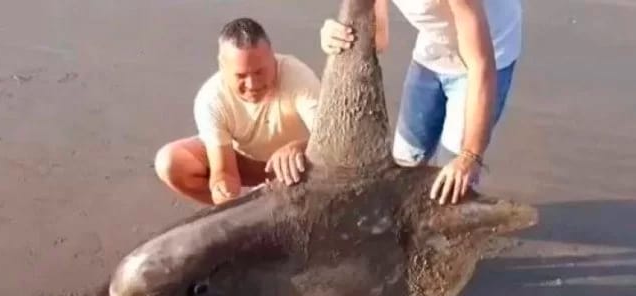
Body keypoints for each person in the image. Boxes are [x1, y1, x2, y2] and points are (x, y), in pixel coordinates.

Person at [320, 0, 522, 205]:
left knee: (451, 183)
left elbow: (480, 64)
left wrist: (470, 156)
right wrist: (338, 38)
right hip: (434, 49)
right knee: (404, 159)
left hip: (490, 50)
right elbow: (378, 38)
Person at [155, 18, 321, 205]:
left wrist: (298, 147)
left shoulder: (296, 75)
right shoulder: (211, 99)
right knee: (170, 162)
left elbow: (329, 136)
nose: (253, 85)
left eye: (260, 72)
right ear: (222, 67)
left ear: (272, 57)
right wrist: (224, 192)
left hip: (299, 163)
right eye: (241, 76)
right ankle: (244, 212)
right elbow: (224, 172)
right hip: (246, 163)